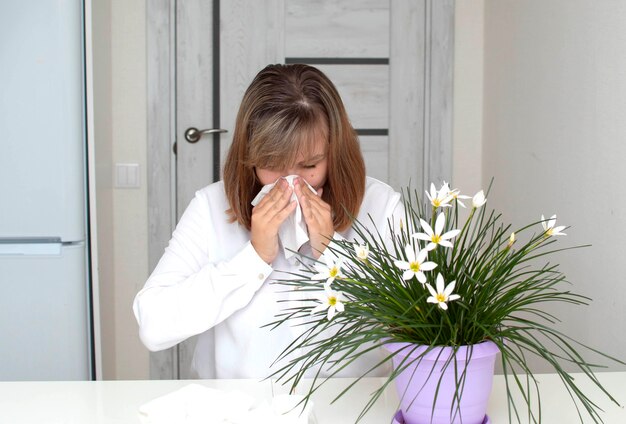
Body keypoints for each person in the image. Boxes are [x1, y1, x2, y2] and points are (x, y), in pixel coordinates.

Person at [133, 63, 403, 379]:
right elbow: (153, 326)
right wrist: (253, 260)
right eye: (272, 165)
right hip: (239, 408)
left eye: (309, 164)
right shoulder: (210, 207)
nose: (291, 181)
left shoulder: (380, 205)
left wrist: (335, 255)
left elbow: (418, 322)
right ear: (250, 156)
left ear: (335, 153)